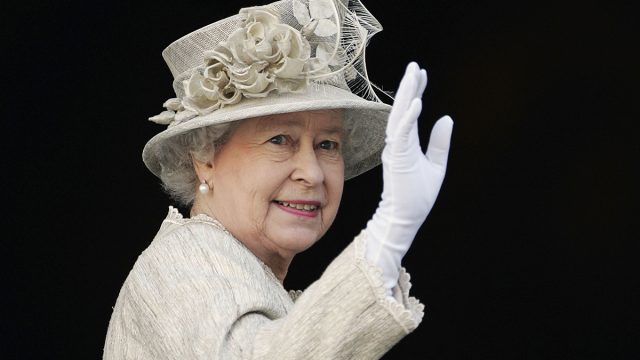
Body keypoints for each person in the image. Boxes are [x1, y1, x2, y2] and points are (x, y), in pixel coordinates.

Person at [104, 0, 453, 358]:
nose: (313, 173)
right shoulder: (186, 265)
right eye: (279, 140)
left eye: (327, 144)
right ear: (204, 158)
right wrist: (389, 233)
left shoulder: (239, 272)